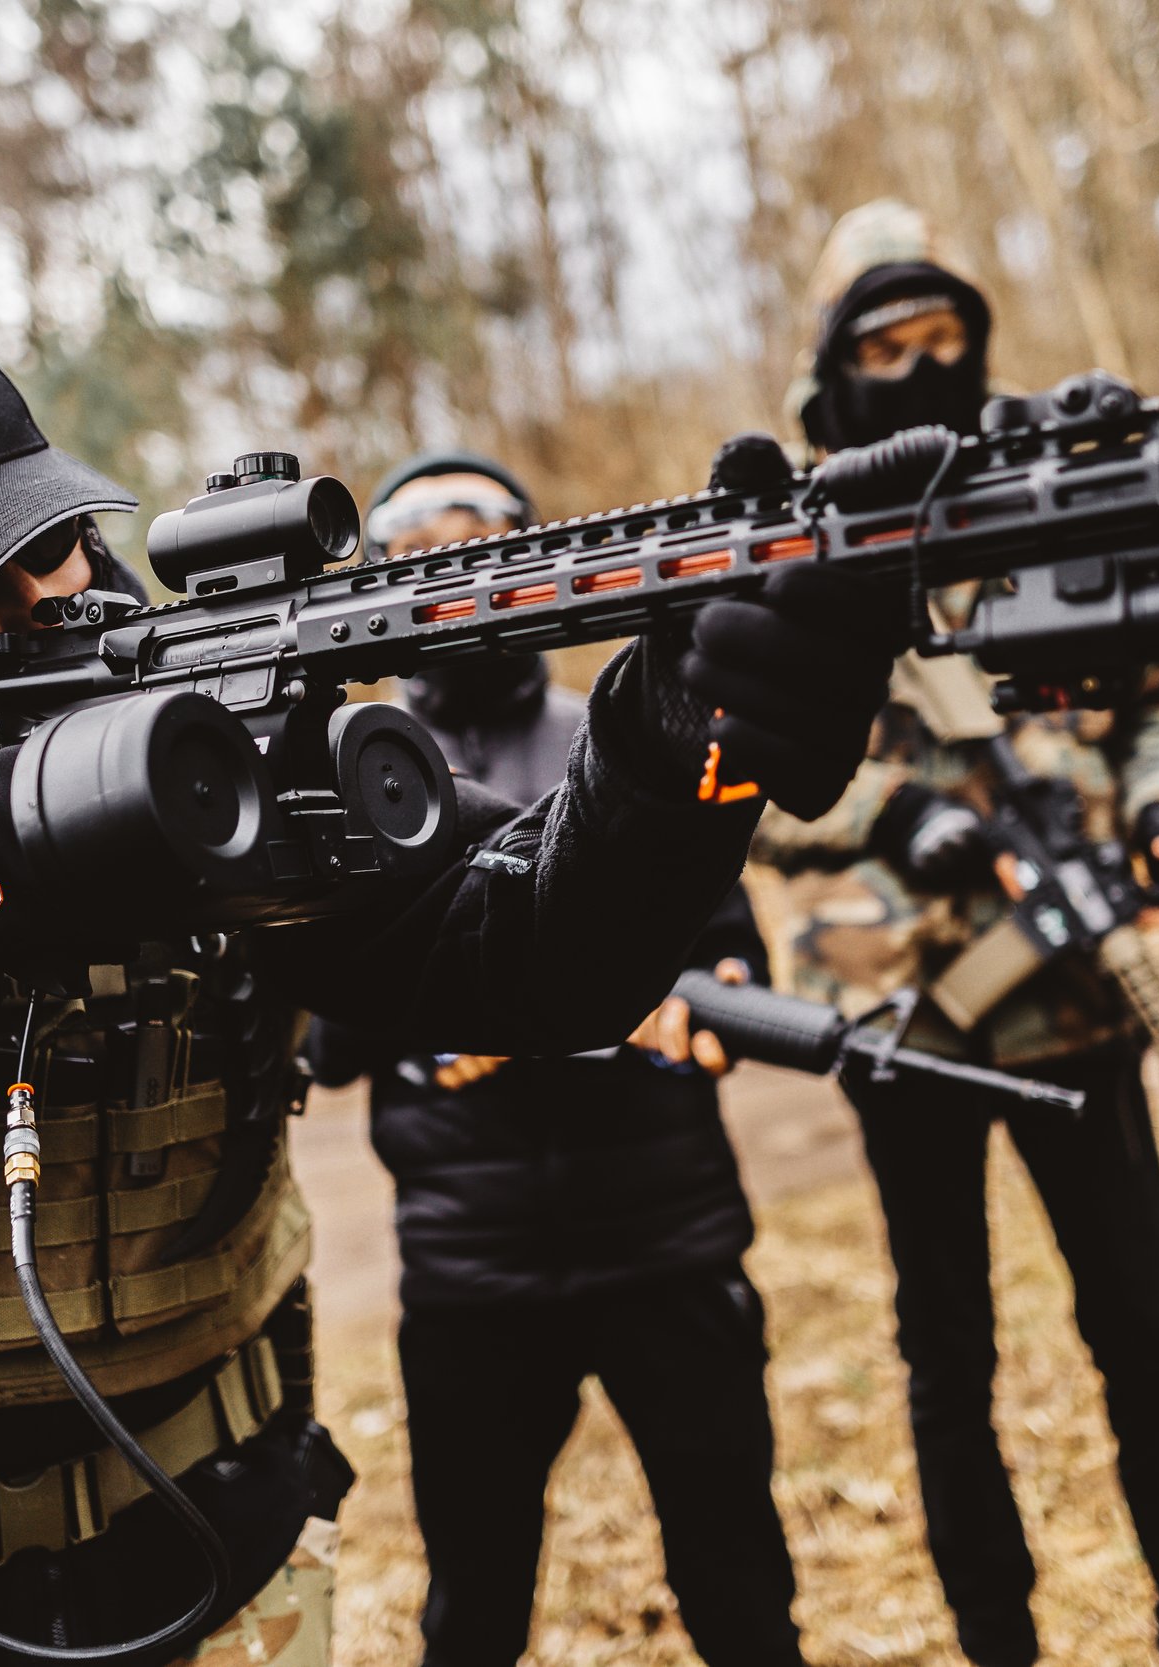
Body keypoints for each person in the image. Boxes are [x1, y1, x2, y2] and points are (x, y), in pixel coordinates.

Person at [0, 301, 901, 1663]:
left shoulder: (178, 711)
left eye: (48, 536)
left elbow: (530, 956)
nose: (47, 595)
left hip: (218, 1560)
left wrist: (682, 745)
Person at [751, 202, 1159, 1667]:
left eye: (945, 340)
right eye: (885, 346)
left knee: (1144, 1337)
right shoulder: (792, 520)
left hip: (1079, 998)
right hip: (902, 1013)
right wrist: (885, 814)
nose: (920, 367)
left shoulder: (1051, 493)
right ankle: (994, 1636)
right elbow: (738, 770)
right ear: (835, 359)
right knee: (946, 1358)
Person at [306, 454, 807, 1667]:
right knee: (472, 1605)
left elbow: (732, 959)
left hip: (670, 1240)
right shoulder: (344, 768)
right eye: (418, 530)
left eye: (481, 524)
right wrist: (464, 1025)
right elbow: (325, 1035)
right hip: (472, 1270)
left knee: (738, 1581)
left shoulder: (629, 735)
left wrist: (699, 1013)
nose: (451, 544)